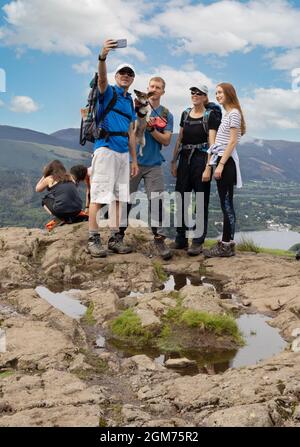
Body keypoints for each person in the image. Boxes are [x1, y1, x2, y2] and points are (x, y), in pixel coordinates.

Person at [87, 39, 139, 258]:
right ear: (116, 77)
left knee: (119, 198)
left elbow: (131, 133)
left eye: (129, 74)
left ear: (133, 78)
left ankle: (115, 238)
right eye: (122, 73)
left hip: (122, 153)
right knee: (99, 196)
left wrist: (134, 160)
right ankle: (93, 239)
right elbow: (102, 79)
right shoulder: (109, 92)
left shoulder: (129, 102)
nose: (125, 76)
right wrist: (103, 57)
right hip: (106, 148)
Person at [118, 77, 174, 260]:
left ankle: (159, 240)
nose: (154, 89)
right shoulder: (135, 107)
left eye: (158, 87)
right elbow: (128, 131)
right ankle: (118, 236)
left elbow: (166, 141)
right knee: (126, 198)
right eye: (152, 86)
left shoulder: (166, 114)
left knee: (157, 201)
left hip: (154, 164)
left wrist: (152, 130)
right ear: (147, 89)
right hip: (132, 161)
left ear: (163, 92)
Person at [171, 85, 220, 255]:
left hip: (201, 159)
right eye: (193, 92)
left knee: (200, 201)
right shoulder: (185, 113)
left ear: (205, 96)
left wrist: (208, 168)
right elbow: (180, 138)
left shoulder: (210, 115)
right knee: (181, 198)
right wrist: (173, 161)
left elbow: (212, 144)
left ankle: (198, 241)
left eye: (199, 93)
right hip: (184, 158)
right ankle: (181, 238)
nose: (195, 95)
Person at [204, 82, 246, 258]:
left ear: (229, 93)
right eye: (216, 93)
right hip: (222, 160)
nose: (217, 95)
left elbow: (233, 141)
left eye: (220, 92)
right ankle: (226, 243)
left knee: (227, 204)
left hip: (226, 163)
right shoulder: (228, 114)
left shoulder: (234, 113)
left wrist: (220, 164)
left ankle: (227, 245)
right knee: (225, 203)